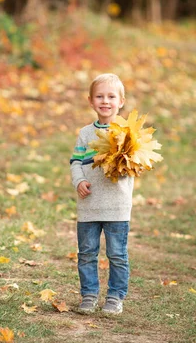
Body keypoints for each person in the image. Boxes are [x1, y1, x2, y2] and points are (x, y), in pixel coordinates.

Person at [70, 73, 134, 315]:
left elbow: (137, 163)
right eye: (99, 96)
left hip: (117, 204)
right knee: (87, 253)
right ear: (90, 100)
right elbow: (76, 162)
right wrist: (80, 180)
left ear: (121, 101)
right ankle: (89, 294)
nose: (105, 101)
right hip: (89, 204)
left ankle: (115, 296)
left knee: (117, 254)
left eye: (111, 96)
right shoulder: (85, 134)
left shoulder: (128, 132)